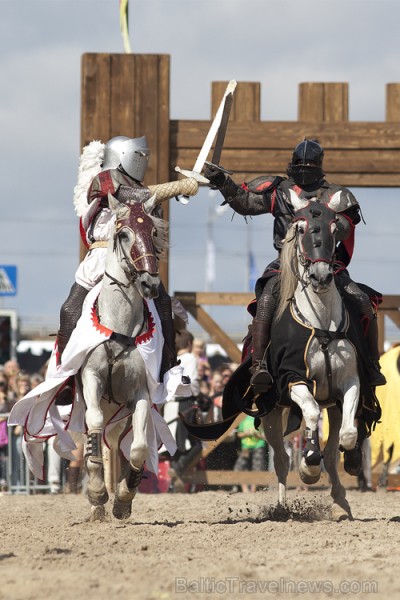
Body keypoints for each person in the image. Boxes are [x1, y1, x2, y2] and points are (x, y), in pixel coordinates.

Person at [205, 138, 386, 392]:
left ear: (319, 165)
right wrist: (223, 182)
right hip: (286, 264)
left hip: (326, 263)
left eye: (308, 163)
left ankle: (371, 364)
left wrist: (326, 218)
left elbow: (345, 228)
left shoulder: (336, 195)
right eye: (299, 162)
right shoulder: (279, 190)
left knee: (363, 302)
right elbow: (244, 202)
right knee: (267, 301)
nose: (303, 167)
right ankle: (259, 367)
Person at [55, 136, 184, 403]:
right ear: (123, 155)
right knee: (69, 308)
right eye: (139, 156)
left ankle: (168, 367)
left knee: (163, 303)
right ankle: (65, 378)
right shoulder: (104, 179)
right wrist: (178, 186)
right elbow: (128, 195)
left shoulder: (145, 192)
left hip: (133, 257)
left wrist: (177, 191)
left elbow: (151, 222)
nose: (142, 162)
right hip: (101, 254)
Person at [233, 414, 267, 492]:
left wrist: (256, 434)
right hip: (246, 447)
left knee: (257, 468)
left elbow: (265, 436)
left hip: (258, 446)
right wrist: (247, 433)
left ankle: (253, 490)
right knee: (240, 467)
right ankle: (245, 489)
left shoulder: (261, 417)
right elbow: (239, 434)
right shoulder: (243, 417)